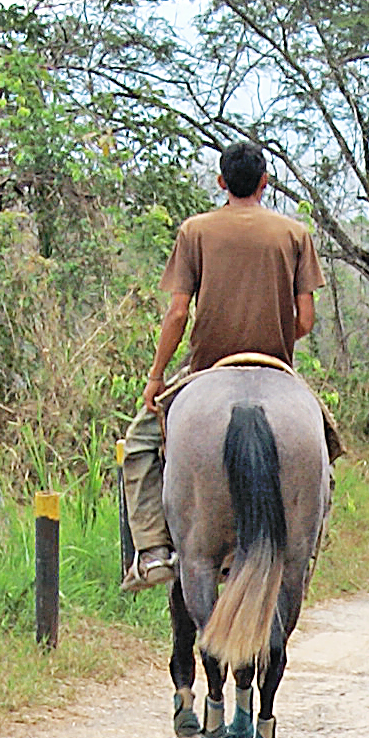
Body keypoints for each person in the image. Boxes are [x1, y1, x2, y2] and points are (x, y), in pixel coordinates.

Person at [120, 139, 321, 592]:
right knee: (324, 447)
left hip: (206, 369)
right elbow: (305, 319)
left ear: (221, 182)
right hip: (274, 367)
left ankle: (152, 551)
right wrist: (268, 334)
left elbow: (176, 314)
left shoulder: (195, 231)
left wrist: (156, 377)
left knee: (138, 445)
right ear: (265, 183)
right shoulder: (294, 234)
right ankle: (308, 543)